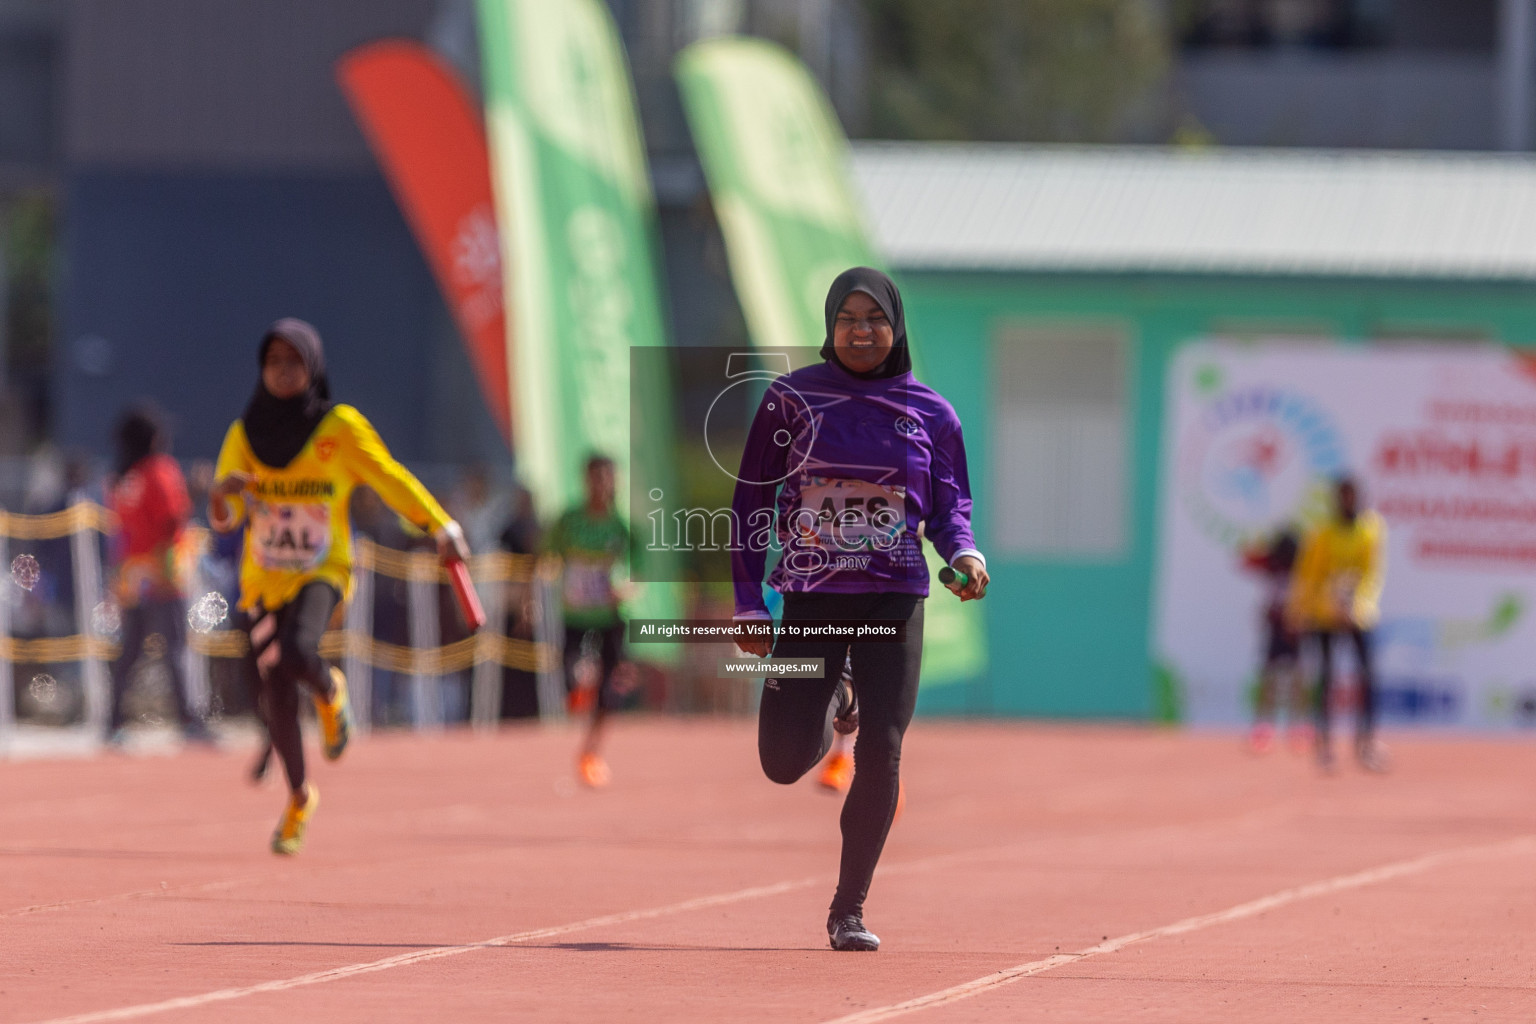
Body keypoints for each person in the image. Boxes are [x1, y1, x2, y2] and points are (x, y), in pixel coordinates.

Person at [732, 267, 988, 952]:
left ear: (895, 326)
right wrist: (748, 602)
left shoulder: (933, 414)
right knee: (783, 760)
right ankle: (834, 694)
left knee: (884, 747)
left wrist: (965, 555)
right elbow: (749, 505)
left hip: (894, 597)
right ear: (829, 326)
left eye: (874, 318)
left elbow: (950, 509)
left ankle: (849, 909)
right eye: (847, 317)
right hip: (812, 600)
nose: (861, 330)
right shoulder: (791, 401)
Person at [209, 318, 467, 854]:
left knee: (303, 651)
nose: (282, 371)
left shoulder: (339, 427)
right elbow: (226, 516)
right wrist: (222, 495)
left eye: (293, 361)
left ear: (313, 366)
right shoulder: (244, 432)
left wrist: (439, 524)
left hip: (324, 570)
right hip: (263, 581)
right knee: (274, 691)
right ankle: (299, 797)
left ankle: (330, 691)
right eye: (273, 361)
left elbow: (388, 476)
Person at [105, 404, 215, 746]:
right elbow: (172, 517)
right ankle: (189, 719)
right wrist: (197, 491)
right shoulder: (159, 469)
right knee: (177, 647)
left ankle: (112, 721)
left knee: (130, 651)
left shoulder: (121, 476)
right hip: (164, 567)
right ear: (152, 438)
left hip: (131, 572)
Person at [544, 455, 634, 787]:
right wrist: (530, 597)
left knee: (611, 693)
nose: (601, 484)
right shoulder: (568, 521)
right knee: (570, 680)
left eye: (606, 478)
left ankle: (591, 753)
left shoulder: (621, 527)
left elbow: (638, 569)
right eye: (595, 477)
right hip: (575, 617)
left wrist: (629, 586)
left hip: (609, 618)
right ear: (585, 480)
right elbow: (545, 556)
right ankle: (582, 688)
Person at [1289, 476, 1387, 773]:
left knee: (1368, 676)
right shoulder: (1322, 533)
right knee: (1327, 677)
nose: (1346, 502)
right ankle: (1325, 745)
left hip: (1359, 615)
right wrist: (1306, 608)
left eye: (1351, 496)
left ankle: (1366, 743)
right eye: (1341, 496)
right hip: (1324, 614)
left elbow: (1372, 574)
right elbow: (1308, 574)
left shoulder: (1371, 531)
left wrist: (1356, 605)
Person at [1241, 526, 1307, 754]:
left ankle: (1297, 726)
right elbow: (1246, 560)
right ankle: (1262, 727)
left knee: (1297, 679)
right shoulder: (1272, 564)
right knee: (1269, 677)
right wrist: (1264, 548)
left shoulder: (1304, 568)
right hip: (1275, 624)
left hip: (1296, 625)